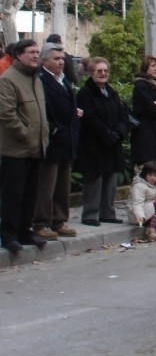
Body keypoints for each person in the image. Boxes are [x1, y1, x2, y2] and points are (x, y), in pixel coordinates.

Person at [0, 39, 49, 252]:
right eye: (31, 52)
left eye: (38, 52)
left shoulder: (36, 79)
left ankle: (25, 232)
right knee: (13, 194)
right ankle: (9, 235)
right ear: (19, 55)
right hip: (16, 149)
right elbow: (6, 114)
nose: (36, 55)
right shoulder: (8, 79)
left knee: (30, 194)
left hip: (36, 148)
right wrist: (26, 134)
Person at [33, 42, 81, 240]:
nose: (61, 62)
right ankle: (40, 222)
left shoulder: (64, 80)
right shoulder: (41, 80)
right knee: (46, 184)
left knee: (62, 184)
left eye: (62, 58)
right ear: (44, 60)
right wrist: (52, 129)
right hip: (52, 139)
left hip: (67, 139)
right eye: (56, 58)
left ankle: (59, 219)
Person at [76, 56, 131, 226]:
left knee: (111, 179)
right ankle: (90, 214)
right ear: (91, 73)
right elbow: (89, 117)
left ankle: (108, 212)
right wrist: (106, 134)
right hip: (94, 143)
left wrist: (119, 133)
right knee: (94, 179)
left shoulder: (112, 92)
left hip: (113, 143)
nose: (103, 74)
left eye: (105, 71)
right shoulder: (85, 93)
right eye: (99, 71)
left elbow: (123, 115)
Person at [130, 55, 156, 169]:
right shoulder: (141, 85)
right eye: (153, 66)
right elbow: (152, 109)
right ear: (145, 67)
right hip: (146, 134)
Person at [128, 160, 156, 242]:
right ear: (145, 175)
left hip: (149, 209)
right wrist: (140, 216)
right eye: (150, 175)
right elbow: (137, 203)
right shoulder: (139, 185)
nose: (152, 178)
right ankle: (150, 230)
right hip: (137, 214)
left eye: (155, 175)